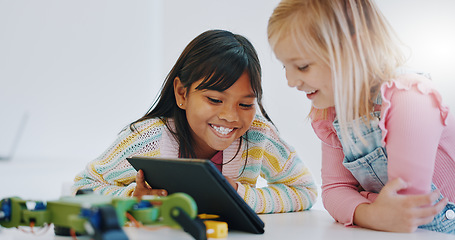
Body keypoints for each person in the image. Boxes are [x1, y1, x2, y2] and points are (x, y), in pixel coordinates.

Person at [72, 29, 317, 214]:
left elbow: (305, 190)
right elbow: (81, 187)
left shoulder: (257, 135)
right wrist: (129, 199)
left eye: (245, 104)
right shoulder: (148, 139)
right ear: (182, 94)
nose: (231, 116)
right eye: (214, 99)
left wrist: (240, 196)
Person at [268, 0, 455, 234]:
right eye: (285, 67)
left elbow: (406, 207)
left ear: (353, 48)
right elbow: (334, 190)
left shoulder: (410, 97)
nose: (290, 81)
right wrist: (371, 213)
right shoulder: (331, 114)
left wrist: (357, 201)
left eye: (303, 66)